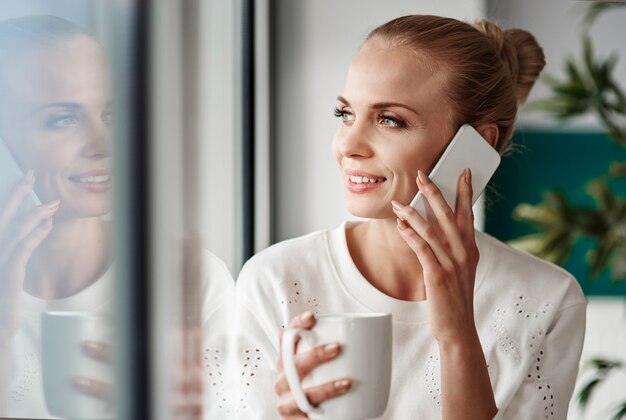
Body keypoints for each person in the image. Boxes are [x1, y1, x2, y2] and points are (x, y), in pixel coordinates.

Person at [234, 14, 587, 420]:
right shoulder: (275, 279)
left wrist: (457, 338)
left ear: (474, 145)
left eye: (389, 120)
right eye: (345, 114)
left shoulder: (547, 300)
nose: (348, 144)